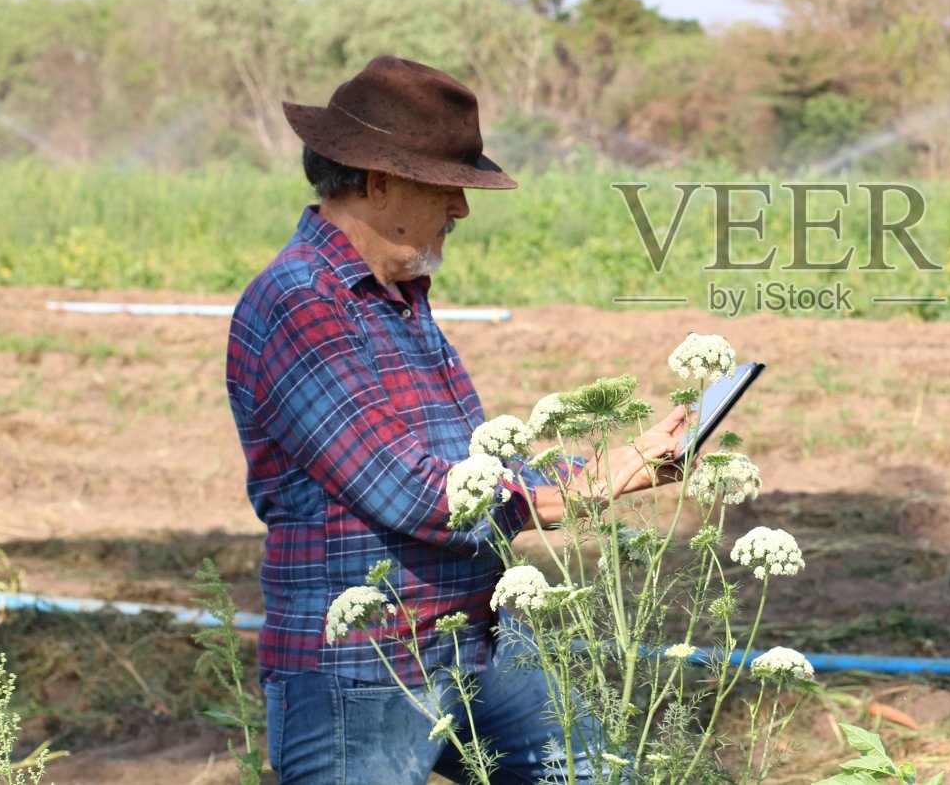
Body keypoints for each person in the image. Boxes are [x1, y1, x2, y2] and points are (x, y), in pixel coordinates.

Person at [225, 55, 687, 783]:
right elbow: (407, 489)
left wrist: (611, 461)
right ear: (377, 182)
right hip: (364, 668)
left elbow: (469, 469)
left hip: (478, 643)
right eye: (447, 187)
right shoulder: (301, 302)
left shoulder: (400, 296)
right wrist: (579, 494)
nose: (462, 208)